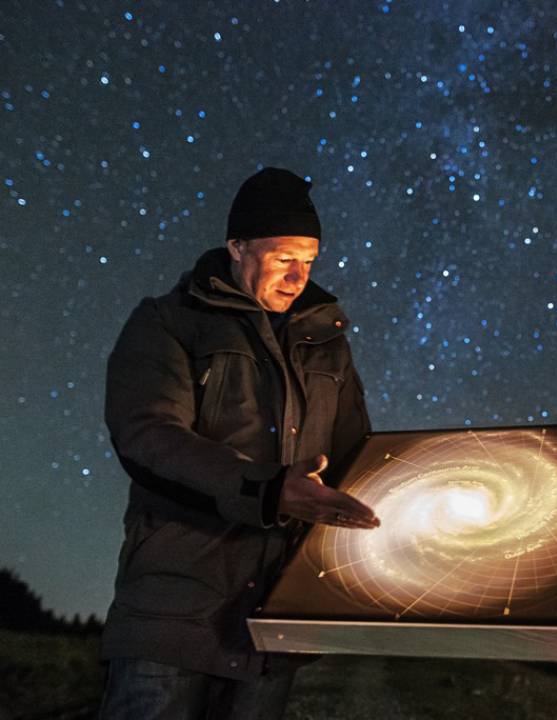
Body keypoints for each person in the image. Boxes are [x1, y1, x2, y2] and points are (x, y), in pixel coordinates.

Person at [99, 167, 380, 719]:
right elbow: (148, 439)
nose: (298, 277)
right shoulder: (168, 323)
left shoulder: (328, 345)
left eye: (310, 261)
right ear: (237, 247)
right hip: (174, 617)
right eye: (282, 259)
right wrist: (269, 490)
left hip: (271, 624)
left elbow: (358, 457)